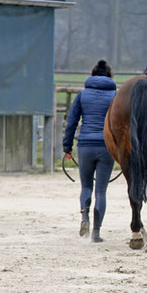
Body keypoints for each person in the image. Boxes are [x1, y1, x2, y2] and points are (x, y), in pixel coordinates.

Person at [63, 59, 117, 242]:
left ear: (93, 74)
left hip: (85, 145)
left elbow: (71, 122)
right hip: (107, 147)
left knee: (86, 186)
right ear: (109, 75)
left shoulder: (82, 95)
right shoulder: (115, 96)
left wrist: (67, 147)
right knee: (101, 191)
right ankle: (96, 233)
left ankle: (84, 217)